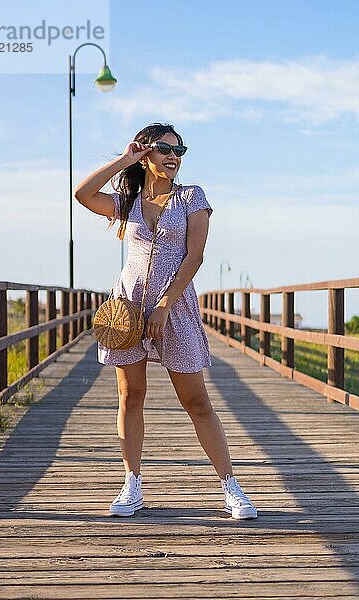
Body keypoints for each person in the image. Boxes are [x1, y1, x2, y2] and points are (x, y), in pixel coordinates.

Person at [74, 122, 257, 520]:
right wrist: (125, 161)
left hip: (173, 308)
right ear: (146, 153)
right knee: (131, 395)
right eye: (162, 148)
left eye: (179, 150)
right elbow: (82, 194)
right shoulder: (128, 202)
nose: (173, 156)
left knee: (196, 401)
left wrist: (163, 305)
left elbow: (194, 257)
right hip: (126, 310)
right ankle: (132, 483)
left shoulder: (192, 197)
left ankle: (231, 488)